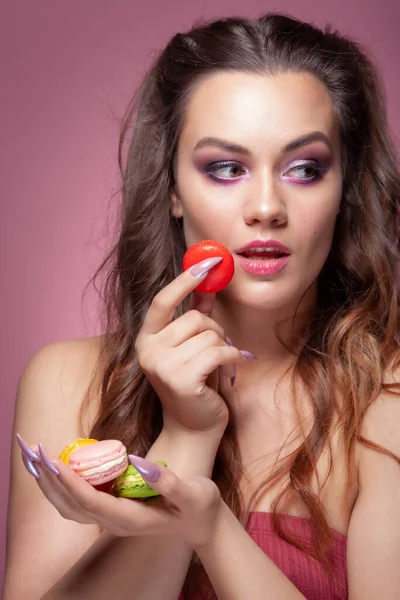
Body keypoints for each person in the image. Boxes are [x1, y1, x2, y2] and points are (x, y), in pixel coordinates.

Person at [4, 10, 400, 600]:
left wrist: (211, 527)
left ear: (344, 191)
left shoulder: (385, 397)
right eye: (225, 168)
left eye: (304, 168)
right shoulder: (67, 379)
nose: (266, 206)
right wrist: (188, 434)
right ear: (171, 192)